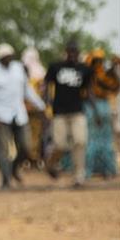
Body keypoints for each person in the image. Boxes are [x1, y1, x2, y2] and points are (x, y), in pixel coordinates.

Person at [0, 44, 45, 189]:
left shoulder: (19, 69)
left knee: (26, 146)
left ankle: (14, 169)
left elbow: (27, 91)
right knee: (3, 150)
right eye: (5, 57)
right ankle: (6, 179)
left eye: (10, 56)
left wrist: (41, 106)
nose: (9, 59)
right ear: (0, 59)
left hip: (19, 115)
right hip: (0, 117)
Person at [42, 41, 92, 187]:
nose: (72, 54)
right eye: (70, 51)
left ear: (78, 53)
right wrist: (46, 102)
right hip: (59, 112)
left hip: (78, 111)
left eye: (75, 52)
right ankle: (50, 163)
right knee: (60, 144)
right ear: (66, 52)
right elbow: (46, 85)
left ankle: (79, 176)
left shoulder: (84, 69)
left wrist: (96, 110)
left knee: (80, 141)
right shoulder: (56, 67)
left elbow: (88, 91)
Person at [84, 48, 119, 179]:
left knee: (96, 140)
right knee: (101, 141)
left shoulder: (93, 74)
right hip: (97, 107)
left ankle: (94, 170)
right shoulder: (96, 74)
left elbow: (114, 87)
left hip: (95, 107)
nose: (99, 63)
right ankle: (105, 169)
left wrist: (113, 69)